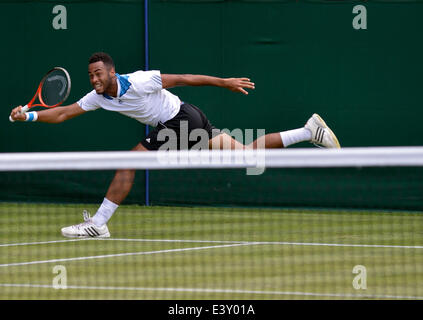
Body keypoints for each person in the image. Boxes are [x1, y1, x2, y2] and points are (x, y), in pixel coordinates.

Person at [9, 52, 341, 238]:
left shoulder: (139, 81)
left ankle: (98, 224)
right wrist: (31, 118)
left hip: (181, 118)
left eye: (99, 74)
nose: (94, 79)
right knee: (247, 155)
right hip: (188, 119)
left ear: (112, 72)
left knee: (130, 161)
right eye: (91, 76)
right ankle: (308, 131)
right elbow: (65, 113)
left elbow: (182, 79)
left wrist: (223, 82)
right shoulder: (97, 97)